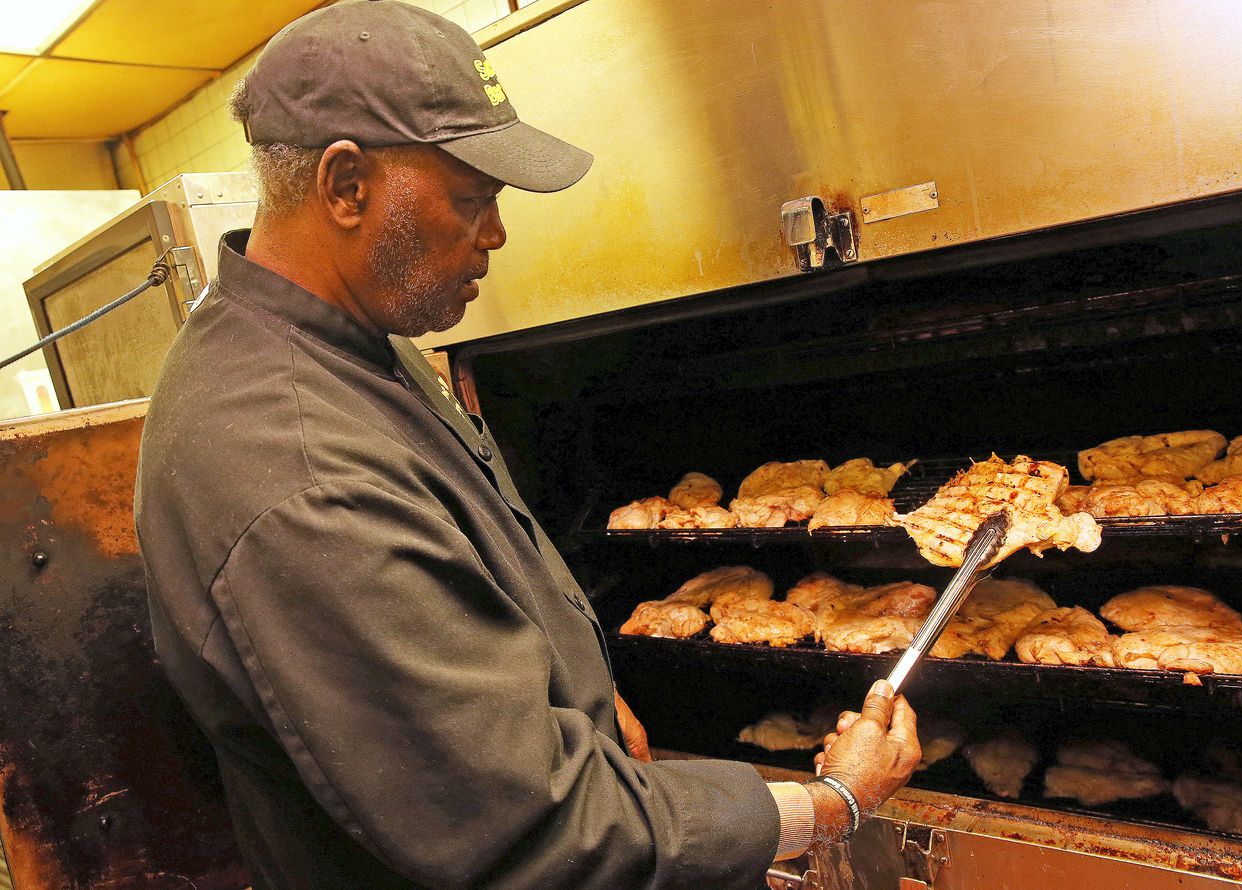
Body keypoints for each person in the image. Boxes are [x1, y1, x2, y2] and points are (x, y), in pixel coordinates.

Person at [134, 2, 921, 888]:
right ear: (345, 185)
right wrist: (829, 806)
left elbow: (467, 551)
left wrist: (572, 689)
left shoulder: (356, 338)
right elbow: (535, 830)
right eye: (470, 198)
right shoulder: (298, 476)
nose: (496, 234)